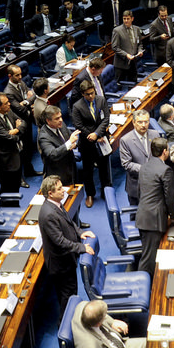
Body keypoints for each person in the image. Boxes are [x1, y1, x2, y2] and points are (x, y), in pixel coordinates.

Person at [37, 175, 95, 312]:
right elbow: (60, 241)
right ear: (50, 193)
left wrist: (80, 232)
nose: (64, 190)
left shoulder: (56, 204)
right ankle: (65, 327)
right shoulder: (48, 214)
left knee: (71, 293)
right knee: (67, 298)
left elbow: (69, 222)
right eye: (59, 189)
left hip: (67, 259)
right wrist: (82, 247)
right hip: (60, 264)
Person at [135, 136, 174, 274]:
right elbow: (170, 197)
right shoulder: (165, 170)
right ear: (165, 151)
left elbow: (140, 192)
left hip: (143, 215)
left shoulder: (144, 167)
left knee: (148, 254)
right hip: (153, 220)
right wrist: (173, 215)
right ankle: (145, 289)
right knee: (148, 259)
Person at [71, 80, 111, 208]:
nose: (91, 96)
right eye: (87, 94)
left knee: (104, 168)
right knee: (88, 170)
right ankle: (90, 194)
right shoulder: (77, 106)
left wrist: (98, 134)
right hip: (86, 143)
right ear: (83, 94)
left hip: (102, 140)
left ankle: (106, 191)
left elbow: (106, 119)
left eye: (92, 93)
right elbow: (78, 126)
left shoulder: (101, 100)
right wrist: (93, 136)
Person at [71, 299, 146, 348]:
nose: (106, 316)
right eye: (104, 316)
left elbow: (98, 314)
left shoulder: (83, 306)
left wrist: (112, 322)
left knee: (155, 341)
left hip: (122, 345)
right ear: (98, 323)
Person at [0, 91, 26, 193]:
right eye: (6, 103)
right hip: (6, 161)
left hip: (15, 154)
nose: (9, 104)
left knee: (15, 186)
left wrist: (16, 130)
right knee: (8, 187)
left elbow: (23, 122)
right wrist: (18, 132)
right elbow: (10, 138)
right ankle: (7, 206)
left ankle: (14, 204)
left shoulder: (8, 111)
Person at [119, 110, 157, 206]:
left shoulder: (155, 134)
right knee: (135, 216)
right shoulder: (125, 140)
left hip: (154, 183)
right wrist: (146, 169)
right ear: (134, 122)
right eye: (140, 122)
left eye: (146, 121)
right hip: (136, 185)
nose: (143, 125)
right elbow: (126, 164)